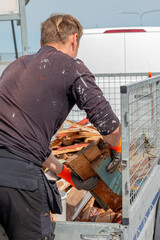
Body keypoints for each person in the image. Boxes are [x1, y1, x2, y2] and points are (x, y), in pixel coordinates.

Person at [0, 13, 121, 240]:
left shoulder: (15, 67)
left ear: (41, 42)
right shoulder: (71, 67)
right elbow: (110, 129)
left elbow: (22, 142)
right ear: (74, 40)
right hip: (20, 181)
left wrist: (68, 176)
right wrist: (116, 152)